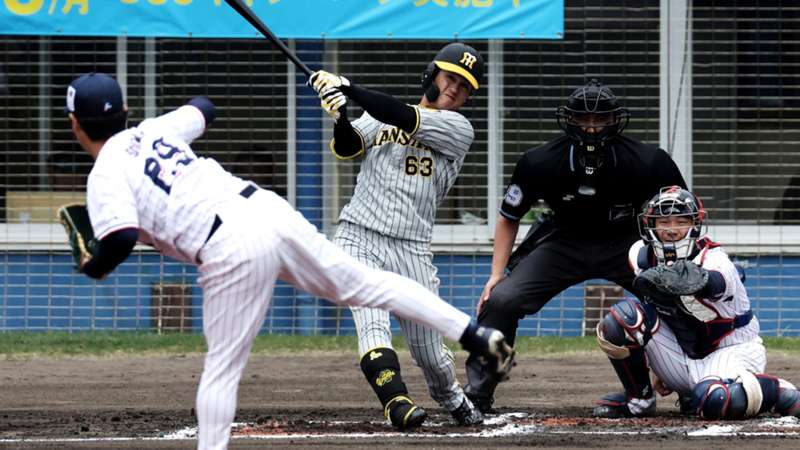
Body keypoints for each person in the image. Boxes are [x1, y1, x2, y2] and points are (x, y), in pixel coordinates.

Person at [64, 72, 514, 450]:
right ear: (125, 113)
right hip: (265, 209)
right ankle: (475, 334)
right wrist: (341, 109)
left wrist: (94, 266)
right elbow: (204, 106)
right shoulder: (155, 130)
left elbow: (120, 238)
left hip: (228, 249)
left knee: (221, 370)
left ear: (74, 125)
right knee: (366, 284)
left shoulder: (104, 174)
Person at [464, 78, 688, 413]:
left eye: (600, 120)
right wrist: (497, 273)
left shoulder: (649, 161)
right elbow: (508, 216)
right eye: (584, 119)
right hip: (563, 241)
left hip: (626, 243)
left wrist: (676, 267)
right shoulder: (539, 161)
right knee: (501, 300)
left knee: (682, 296)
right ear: (570, 120)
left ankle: (689, 384)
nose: (592, 128)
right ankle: (478, 392)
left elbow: (679, 214)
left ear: (615, 120)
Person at [307, 42, 485, 429]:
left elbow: (402, 115)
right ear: (431, 75)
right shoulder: (382, 116)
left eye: (464, 86)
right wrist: (339, 115)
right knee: (371, 322)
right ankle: (396, 401)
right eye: (450, 78)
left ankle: (453, 399)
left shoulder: (458, 129)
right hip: (359, 235)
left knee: (431, 355)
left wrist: (348, 88)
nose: (455, 88)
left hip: (412, 249)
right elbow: (348, 145)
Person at [593, 185, 800, 419]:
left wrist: (694, 279)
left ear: (695, 225)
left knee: (717, 401)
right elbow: (661, 312)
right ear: (650, 225)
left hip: (731, 351)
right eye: (664, 222)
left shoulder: (715, 260)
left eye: (681, 221)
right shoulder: (640, 255)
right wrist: (657, 364)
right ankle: (639, 400)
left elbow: (715, 282)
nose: (672, 230)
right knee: (622, 318)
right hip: (683, 352)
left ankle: (783, 393)